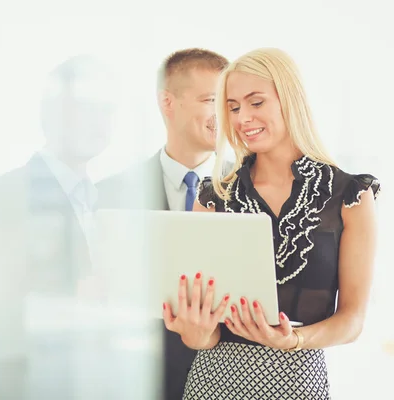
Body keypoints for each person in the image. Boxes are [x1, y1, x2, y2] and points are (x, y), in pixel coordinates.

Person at [162, 47, 380, 400]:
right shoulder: (214, 197)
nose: (242, 117)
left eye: (256, 102)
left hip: (297, 384)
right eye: (232, 107)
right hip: (212, 383)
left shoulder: (350, 196)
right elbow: (201, 336)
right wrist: (195, 331)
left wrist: (295, 340)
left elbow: (352, 321)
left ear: (289, 100)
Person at [0, 54, 117, 399]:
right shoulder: (3, 196)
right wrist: (76, 300)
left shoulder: (108, 202)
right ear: (51, 115)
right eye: (83, 107)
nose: (98, 120)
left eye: (104, 109)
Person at [97, 48, 230, 400]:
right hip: (135, 381)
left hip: (226, 379)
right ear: (167, 103)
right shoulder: (109, 195)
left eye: (229, 103)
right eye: (210, 100)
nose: (225, 115)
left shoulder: (252, 190)